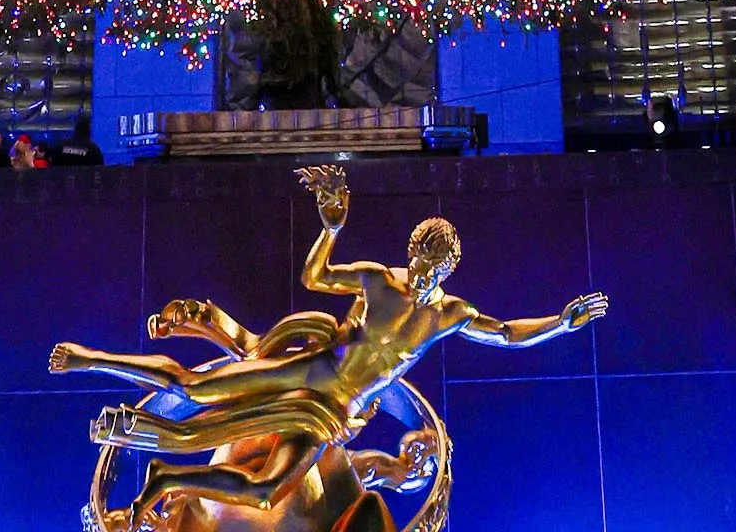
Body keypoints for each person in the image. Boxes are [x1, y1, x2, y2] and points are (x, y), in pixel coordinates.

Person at [52, 163, 607, 526]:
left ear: (447, 272)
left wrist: (560, 323)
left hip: (334, 413)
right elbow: (315, 277)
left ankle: (168, 476)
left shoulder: (448, 315)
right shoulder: (379, 281)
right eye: (417, 262)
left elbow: (506, 332)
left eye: (431, 270)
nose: (419, 276)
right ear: (410, 254)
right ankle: (89, 358)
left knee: (267, 490)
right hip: (311, 372)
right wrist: (332, 228)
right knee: (196, 387)